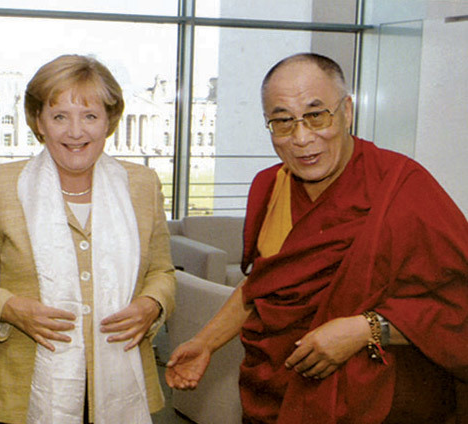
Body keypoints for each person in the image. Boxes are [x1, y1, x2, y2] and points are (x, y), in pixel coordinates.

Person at [166, 53, 468, 423]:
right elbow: (262, 286)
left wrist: (366, 329)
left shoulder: (401, 186)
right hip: (275, 392)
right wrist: (204, 342)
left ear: (347, 111)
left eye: (316, 115)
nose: (302, 138)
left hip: (376, 399)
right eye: (282, 122)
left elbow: (457, 307)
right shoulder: (269, 186)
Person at [0, 54, 176, 424]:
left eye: (90, 116)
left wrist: (152, 303)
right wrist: (11, 308)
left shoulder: (142, 185)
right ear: (39, 122)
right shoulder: (2, 185)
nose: (76, 132)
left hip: (123, 382)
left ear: (108, 122)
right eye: (59, 117)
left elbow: (163, 271)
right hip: (24, 392)